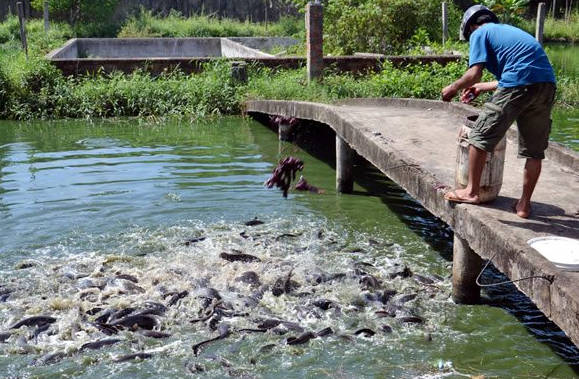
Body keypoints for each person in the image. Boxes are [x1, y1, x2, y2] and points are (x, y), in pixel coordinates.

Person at [441, 5, 556, 218]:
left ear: (471, 27)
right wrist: (481, 87)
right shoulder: (509, 32)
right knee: (534, 152)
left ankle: (471, 192)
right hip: (546, 85)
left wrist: (452, 87)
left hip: (519, 84)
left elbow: (475, 73)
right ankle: (523, 205)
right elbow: (520, 73)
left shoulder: (479, 33)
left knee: (478, 136)